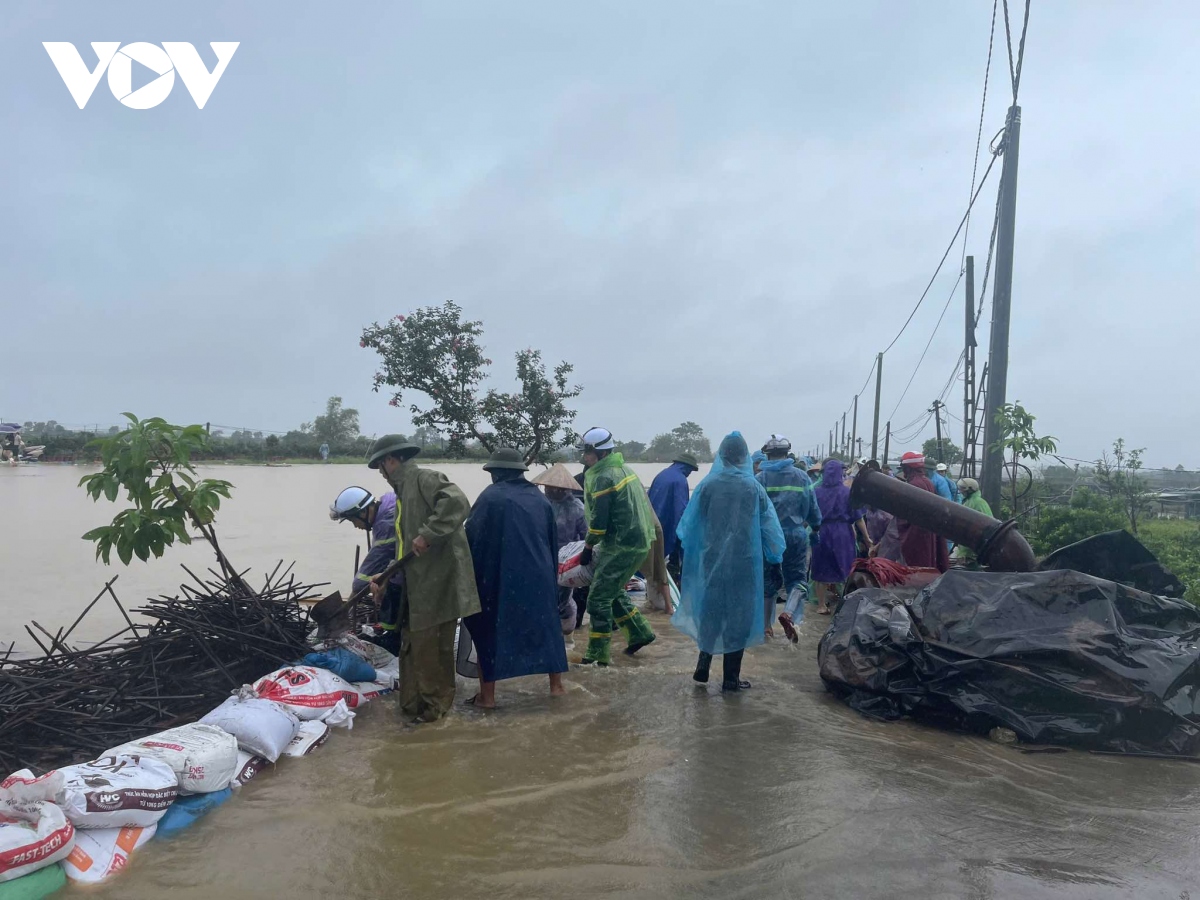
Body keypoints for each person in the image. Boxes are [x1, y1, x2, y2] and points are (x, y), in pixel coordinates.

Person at [366, 434, 481, 723]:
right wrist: (386, 574)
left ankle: (436, 715)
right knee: (411, 647)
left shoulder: (425, 479)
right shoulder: (403, 495)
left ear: (392, 460)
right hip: (417, 587)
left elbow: (457, 503)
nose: (381, 472)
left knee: (433, 650)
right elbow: (407, 547)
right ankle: (412, 708)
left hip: (438, 585)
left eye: (381, 465)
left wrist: (428, 534)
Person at [672, 432, 785, 692]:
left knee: (711, 610)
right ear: (744, 456)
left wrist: (687, 558)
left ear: (722, 455)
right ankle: (730, 679)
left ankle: (703, 663)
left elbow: (689, 526)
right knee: (739, 617)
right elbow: (769, 527)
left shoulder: (707, 486)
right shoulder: (752, 487)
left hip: (712, 560)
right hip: (744, 561)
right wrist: (775, 556)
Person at [462, 449, 568, 708]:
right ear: (520, 472)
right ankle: (556, 687)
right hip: (540, 579)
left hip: (501, 578)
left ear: (495, 474)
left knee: (486, 628)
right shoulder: (540, 499)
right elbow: (552, 543)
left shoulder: (490, 498)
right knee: (547, 629)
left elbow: (471, 541)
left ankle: (487, 697)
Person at [577, 427, 656, 666]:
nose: (584, 458)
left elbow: (599, 524)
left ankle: (597, 656)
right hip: (635, 543)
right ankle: (640, 633)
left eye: (587, 453)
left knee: (597, 600)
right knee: (611, 592)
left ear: (599, 453)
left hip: (621, 546)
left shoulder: (603, 476)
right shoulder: (622, 468)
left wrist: (587, 548)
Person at [756, 434, 821, 642]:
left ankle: (766, 628)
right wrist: (816, 529)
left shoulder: (760, 479)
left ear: (767, 454)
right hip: (795, 535)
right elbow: (812, 508)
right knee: (798, 579)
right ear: (787, 453)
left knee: (768, 581)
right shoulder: (802, 477)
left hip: (769, 538)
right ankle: (789, 613)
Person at [329, 485, 400, 653]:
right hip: (409, 561)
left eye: (354, 520)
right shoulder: (387, 503)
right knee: (383, 580)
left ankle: (393, 637)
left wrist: (345, 610)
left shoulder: (385, 524)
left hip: (412, 572)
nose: (355, 526)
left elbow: (361, 582)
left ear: (363, 512)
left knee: (390, 587)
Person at [531, 463, 588, 634]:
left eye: (557, 489)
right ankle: (546, 629)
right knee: (542, 594)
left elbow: (586, 536)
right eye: (550, 488)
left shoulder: (577, 508)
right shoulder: (538, 504)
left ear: (565, 489)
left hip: (565, 558)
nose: (553, 491)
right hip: (541, 555)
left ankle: (567, 631)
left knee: (563, 597)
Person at [810, 458, 872, 614]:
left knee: (820, 568)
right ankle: (844, 604)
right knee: (845, 566)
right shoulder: (847, 492)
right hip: (842, 533)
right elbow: (858, 518)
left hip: (821, 531)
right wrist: (866, 537)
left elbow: (808, 516)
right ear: (840, 473)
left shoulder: (815, 492)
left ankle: (821, 605)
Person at [895, 451, 950, 572]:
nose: (903, 473)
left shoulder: (914, 485)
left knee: (918, 570)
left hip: (917, 539)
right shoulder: (927, 482)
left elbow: (906, 518)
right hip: (928, 534)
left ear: (908, 469)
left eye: (904, 469)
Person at [648, 452, 698, 586]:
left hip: (653, 523)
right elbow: (682, 509)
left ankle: (655, 590)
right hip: (670, 525)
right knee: (672, 562)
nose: (689, 474)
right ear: (686, 467)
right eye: (690, 471)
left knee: (654, 562)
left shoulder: (662, 475)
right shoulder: (680, 480)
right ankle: (672, 589)